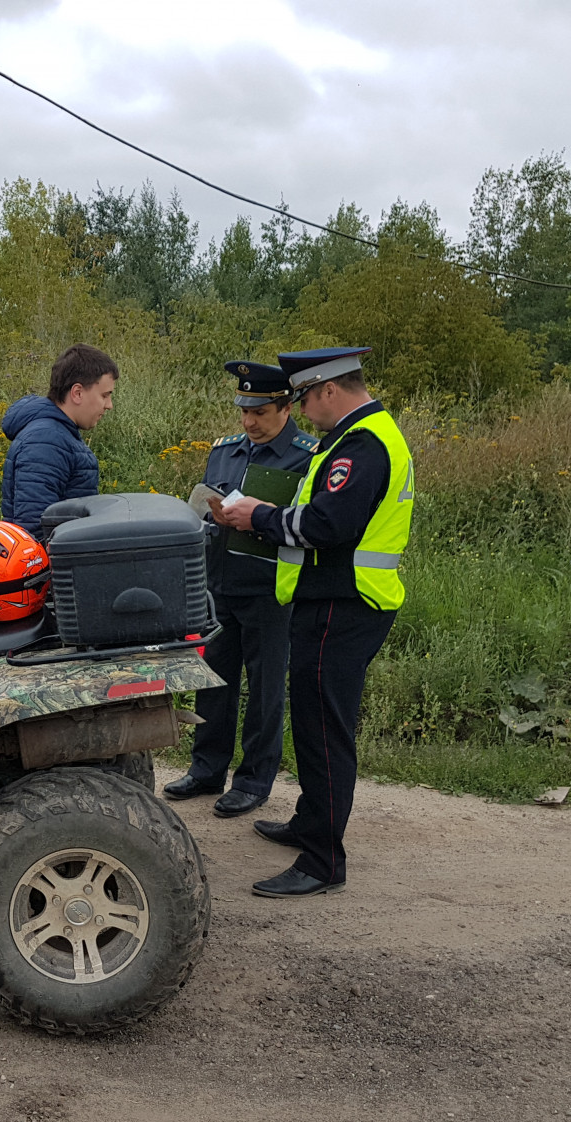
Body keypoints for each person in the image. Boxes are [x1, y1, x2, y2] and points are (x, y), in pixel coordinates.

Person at [210, 347, 414, 898]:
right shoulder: (356, 438)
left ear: (327, 390)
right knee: (312, 720)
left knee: (324, 731)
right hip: (331, 602)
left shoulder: (364, 445)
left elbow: (327, 523)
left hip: (343, 605)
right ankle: (309, 821)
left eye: (303, 397)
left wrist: (260, 516)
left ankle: (323, 860)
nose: (301, 409)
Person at [163, 361, 317, 818]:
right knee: (213, 682)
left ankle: (253, 780)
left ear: (286, 408)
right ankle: (206, 768)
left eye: (261, 412)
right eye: (244, 411)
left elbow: (308, 525)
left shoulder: (307, 456)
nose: (249, 422)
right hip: (219, 583)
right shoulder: (226, 451)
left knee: (266, 687)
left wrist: (261, 517)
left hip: (271, 590)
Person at [0, 343, 118, 539]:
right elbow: (35, 529)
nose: (109, 405)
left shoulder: (59, 434)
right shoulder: (46, 440)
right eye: (104, 395)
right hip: (54, 567)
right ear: (77, 393)